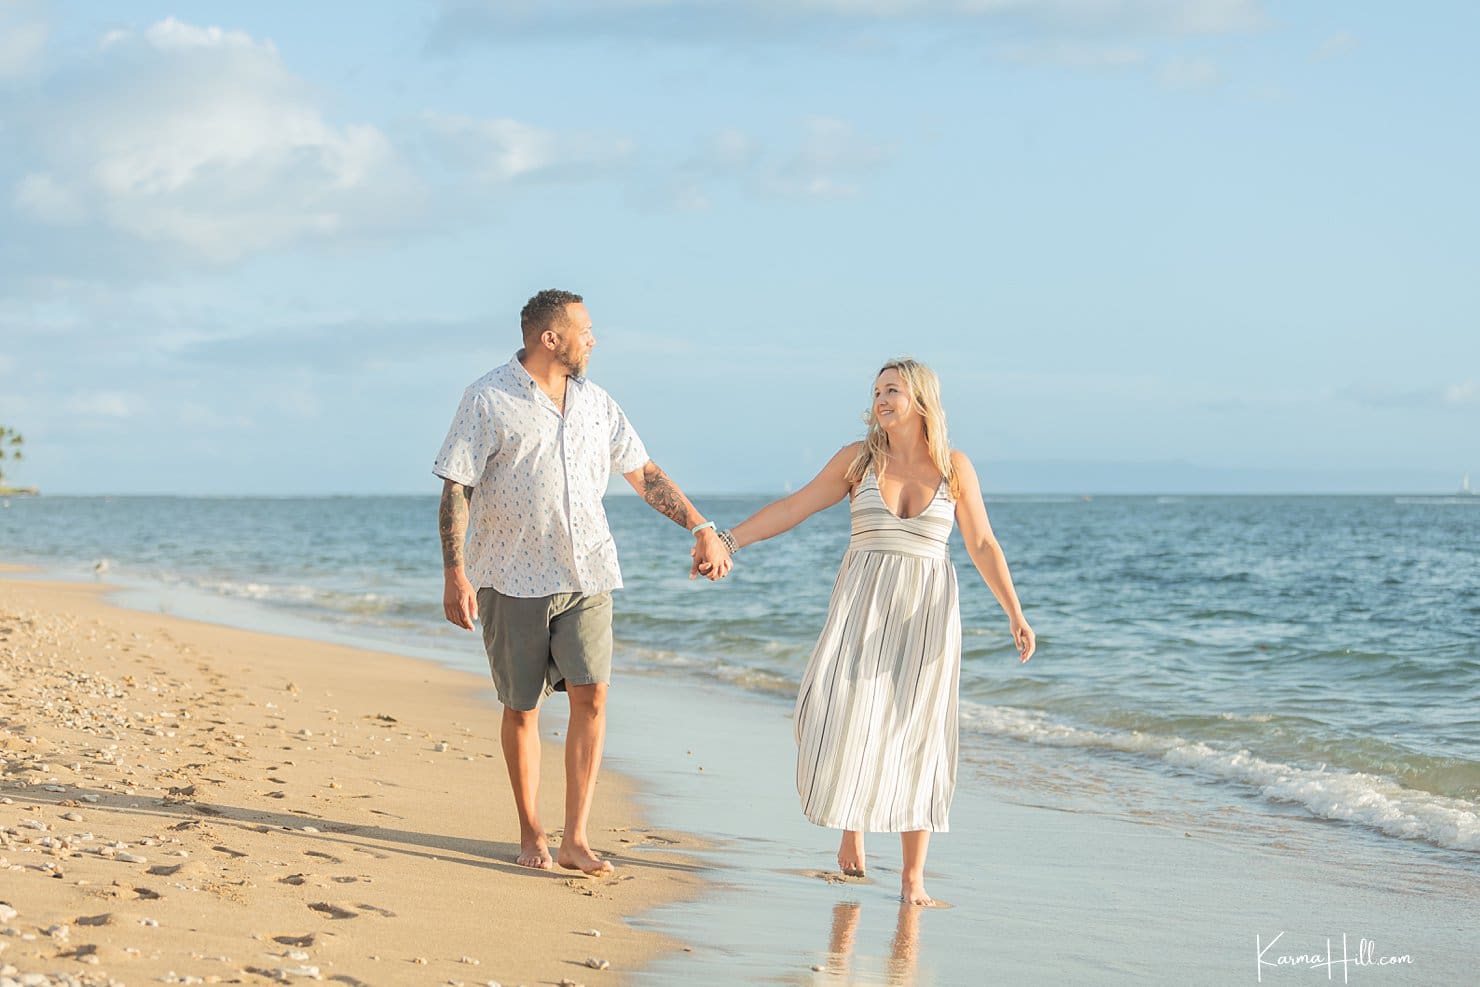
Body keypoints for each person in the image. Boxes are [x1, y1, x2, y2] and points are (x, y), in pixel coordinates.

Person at [710, 358, 1034, 905]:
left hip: (927, 614)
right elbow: (795, 507)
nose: (881, 399)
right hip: (862, 608)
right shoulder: (858, 460)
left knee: (919, 732)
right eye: (877, 390)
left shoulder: (955, 467)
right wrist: (729, 541)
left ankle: (912, 878)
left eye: (893, 390)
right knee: (837, 709)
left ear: (922, 399)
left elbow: (982, 544)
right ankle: (851, 825)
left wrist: (1015, 612)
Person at [434, 288, 731, 875]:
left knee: (592, 696)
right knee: (521, 707)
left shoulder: (597, 403)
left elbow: (644, 474)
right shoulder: (487, 398)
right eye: (584, 329)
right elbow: (457, 487)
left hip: (588, 571)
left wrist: (701, 526)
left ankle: (576, 838)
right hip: (511, 577)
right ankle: (531, 834)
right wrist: (454, 572)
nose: (593, 339)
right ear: (551, 338)